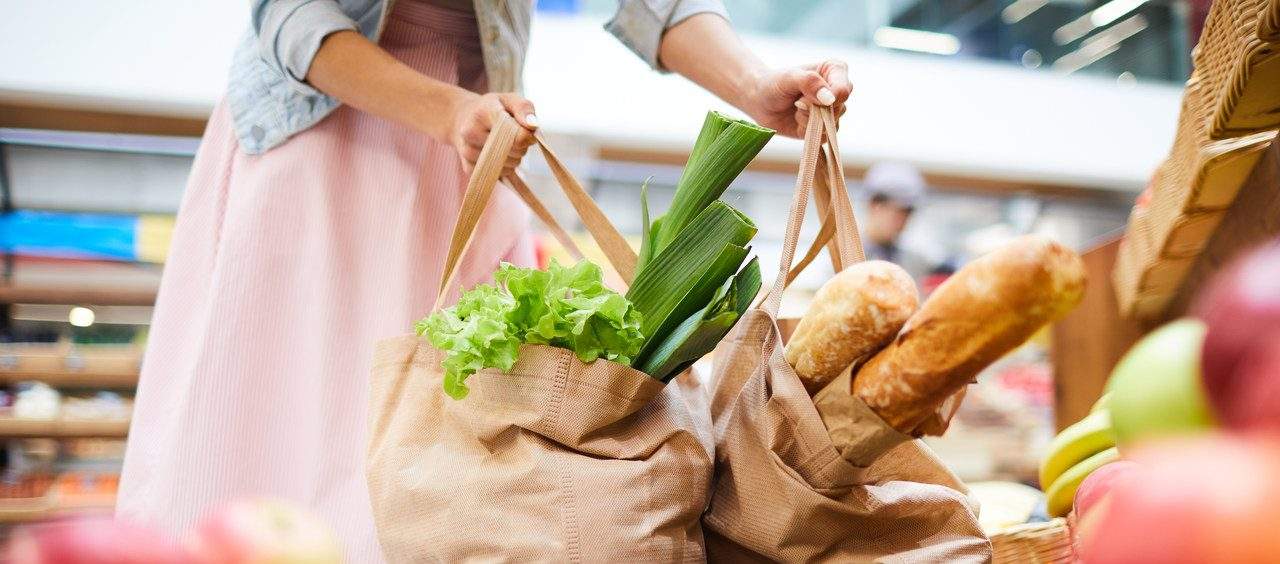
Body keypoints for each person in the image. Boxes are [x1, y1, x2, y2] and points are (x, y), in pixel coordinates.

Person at [116, 1, 852, 560]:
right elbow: (291, 15)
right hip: (329, 138)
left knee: (448, 448)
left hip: (478, 137)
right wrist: (448, 112)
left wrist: (755, 86)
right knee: (282, 424)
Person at [862, 161, 931, 280]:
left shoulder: (916, 263)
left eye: (908, 213)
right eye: (898, 212)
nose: (903, 221)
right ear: (874, 205)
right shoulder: (841, 256)